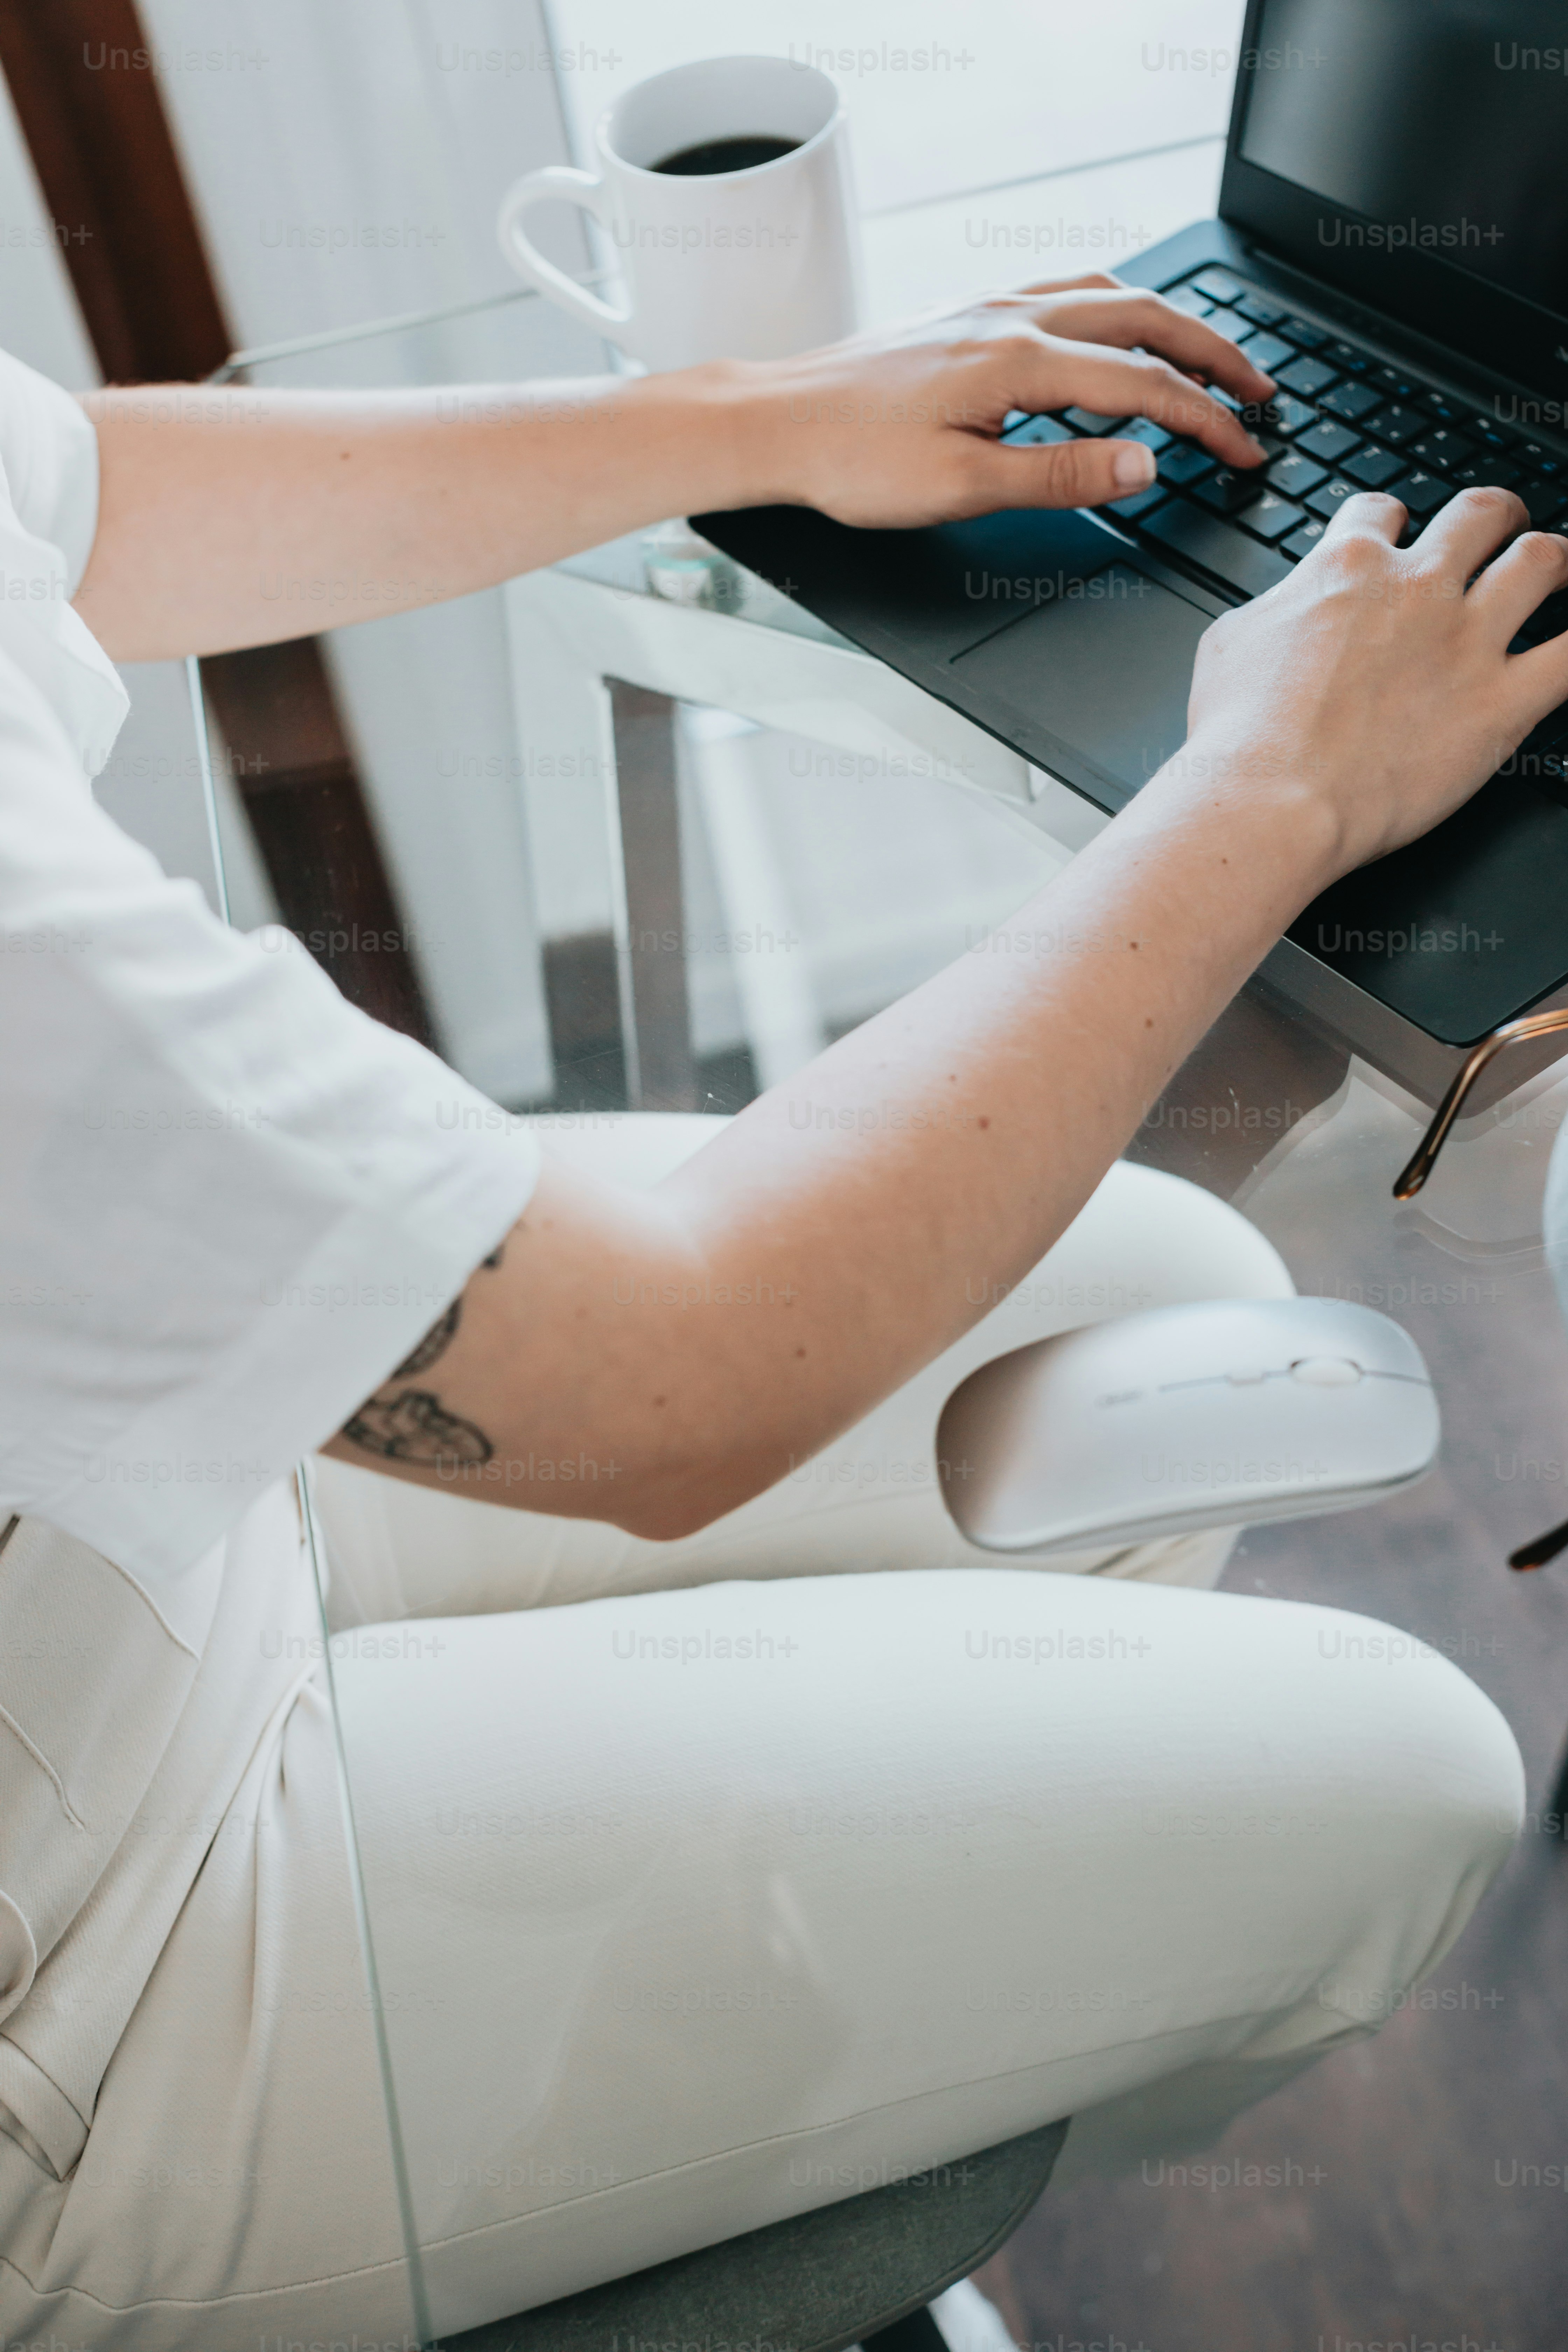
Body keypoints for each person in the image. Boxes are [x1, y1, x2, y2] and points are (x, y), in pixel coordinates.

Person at [0, 275, 1545, 2347]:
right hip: (103, 1968)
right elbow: (685, 1375)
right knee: (1419, 1785)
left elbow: (72, 500)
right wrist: (1272, 789)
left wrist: (756, 412)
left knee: (1170, 1308)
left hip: (132, 1513)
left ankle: (868, 2009)